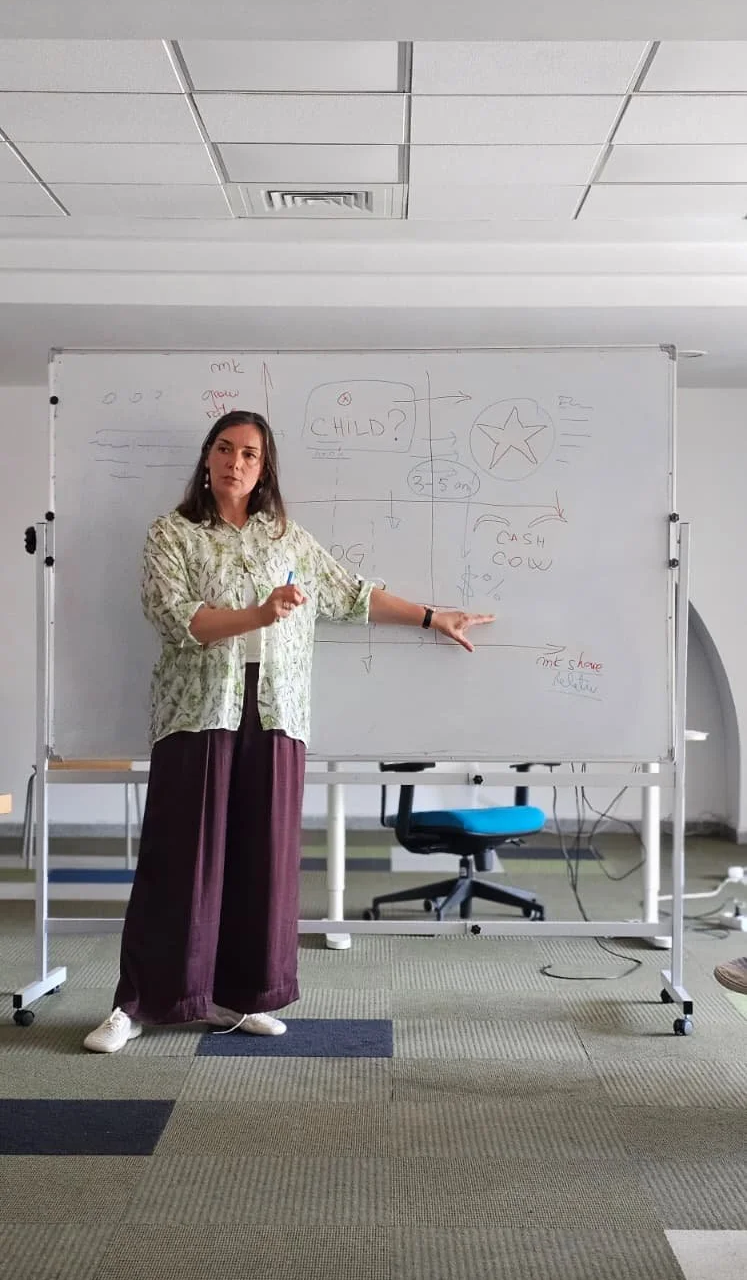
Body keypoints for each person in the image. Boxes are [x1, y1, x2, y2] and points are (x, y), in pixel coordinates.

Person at [84, 410, 494, 1052]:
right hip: (198, 709)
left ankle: (243, 998)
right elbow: (176, 620)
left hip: (276, 712)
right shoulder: (172, 532)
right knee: (179, 859)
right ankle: (136, 1004)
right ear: (207, 457)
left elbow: (351, 595)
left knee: (263, 861)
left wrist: (431, 615)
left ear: (264, 466)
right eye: (224, 449)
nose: (235, 462)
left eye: (249, 454)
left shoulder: (286, 537)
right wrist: (259, 612)